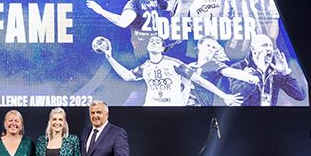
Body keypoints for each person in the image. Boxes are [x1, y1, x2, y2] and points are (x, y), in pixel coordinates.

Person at [97, 35, 243, 106]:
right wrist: (109, 57)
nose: (154, 43)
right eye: (151, 41)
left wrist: (224, 95)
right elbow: (127, 76)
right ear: (148, 47)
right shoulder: (145, 67)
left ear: (162, 48)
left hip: (173, 109)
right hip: (151, 109)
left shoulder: (174, 64)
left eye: (158, 42)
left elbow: (199, 80)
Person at [86, 0, 173, 59]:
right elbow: (175, 5)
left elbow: (122, 22)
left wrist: (102, 11)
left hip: (142, 51)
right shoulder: (156, 1)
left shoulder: (134, 4)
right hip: (157, 49)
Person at [229, 33, 306, 106]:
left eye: (270, 46)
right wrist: (259, 71)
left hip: (269, 117)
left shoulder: (274, 69)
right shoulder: (238, 67)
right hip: (245, 117)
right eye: (264, 45)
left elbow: (300, 96)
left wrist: (285, 73)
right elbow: (237, 96)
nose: (269, 49)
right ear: (253, 50)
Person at [185, 35, 259, 106]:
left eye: (213, 47)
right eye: (208, 45)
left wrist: (250, 78)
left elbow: (231, 72)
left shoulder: (212, 64)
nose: (210, 48)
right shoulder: (190, 66)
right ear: (199, 45)